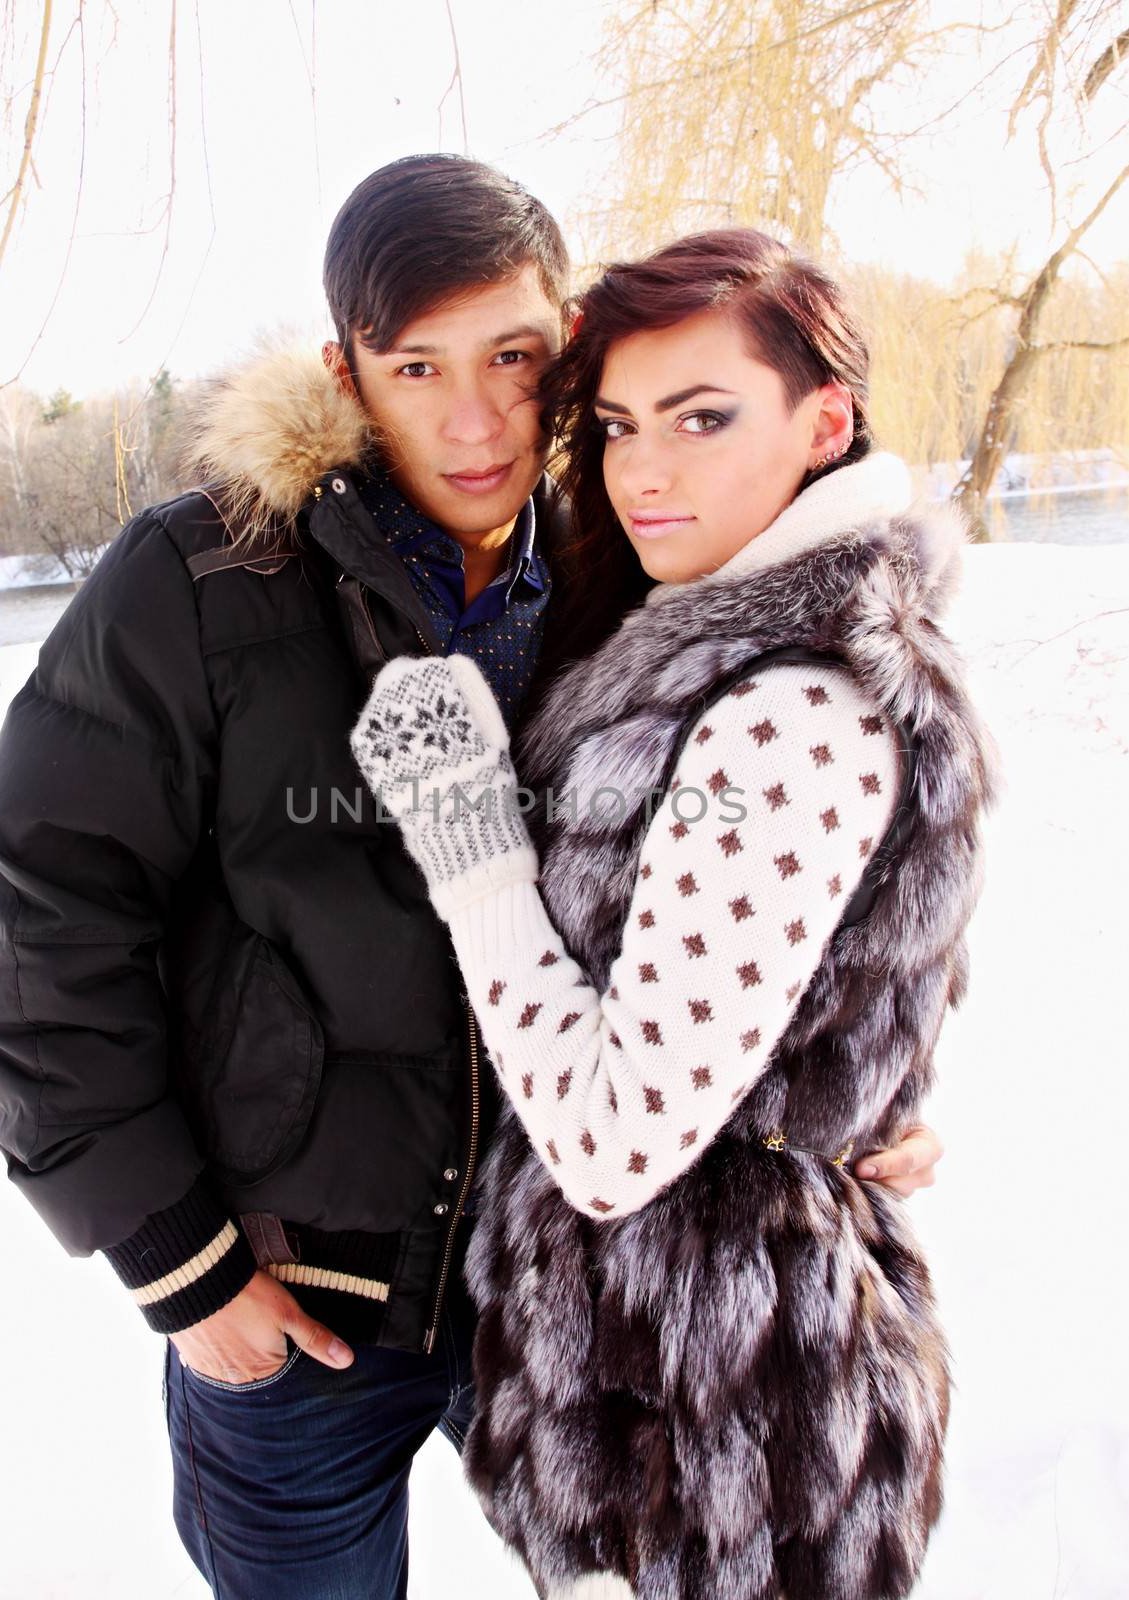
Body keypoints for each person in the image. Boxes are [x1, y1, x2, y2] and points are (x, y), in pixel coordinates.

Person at [0, 157, 945, 1600]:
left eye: (512, 357)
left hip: (560, 1299)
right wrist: (174, 1256)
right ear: (345, 371)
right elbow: (46, 909)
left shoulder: (631, 567)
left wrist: (843, 1086)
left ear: (565, 347)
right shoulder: (202, 577)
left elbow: (733, 887)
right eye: (415, 366)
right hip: (299, 1304)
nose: (474, 417)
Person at [349, 227, 1001, 1600]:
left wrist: (472, 851)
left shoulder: (789, 713)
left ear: (822, 421)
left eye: (703, 419)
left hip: (714, 1436)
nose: (643, 469)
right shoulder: (737, 639)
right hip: (680, 1381)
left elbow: (604, 1143)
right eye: (618, 424)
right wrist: (839, 1096)